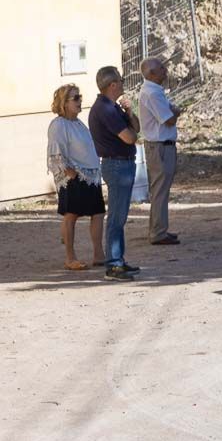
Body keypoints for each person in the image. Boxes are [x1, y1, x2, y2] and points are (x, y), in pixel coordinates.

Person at [88, 66, 140, 281]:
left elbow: (136, 127)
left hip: (122, 164)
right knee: (116, 217)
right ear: (112, 85)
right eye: (120, 80)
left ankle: (118, 259)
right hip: (117, 165)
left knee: (120, 216)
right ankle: (113, 264)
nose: (123, 82)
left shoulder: (113, 107)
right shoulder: (105, 109)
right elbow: (130, 137)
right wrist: (131, 131)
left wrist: (129, 112)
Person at [47, 84, 105, 271]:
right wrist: (68, 172)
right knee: (71, 216)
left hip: (90, 175)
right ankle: (70, 258)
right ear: (64, 103)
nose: (80, 101)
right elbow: (55, 151)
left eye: (80, 97)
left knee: (97, 213)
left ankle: (99, 254)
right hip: (74, 176)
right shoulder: (58, 125)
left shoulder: (78, 123)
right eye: (75, 98)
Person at [137, 57, 183, 243]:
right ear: (151, 74)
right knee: (160, 190)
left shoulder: (153, 90)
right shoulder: (153, 93)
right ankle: (158, 232)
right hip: (160, 147)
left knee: (160, 189)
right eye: (161, 68)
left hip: (159, 146)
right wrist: (176, 112)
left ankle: (159, 229)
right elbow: (169, 119)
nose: (165, 70)